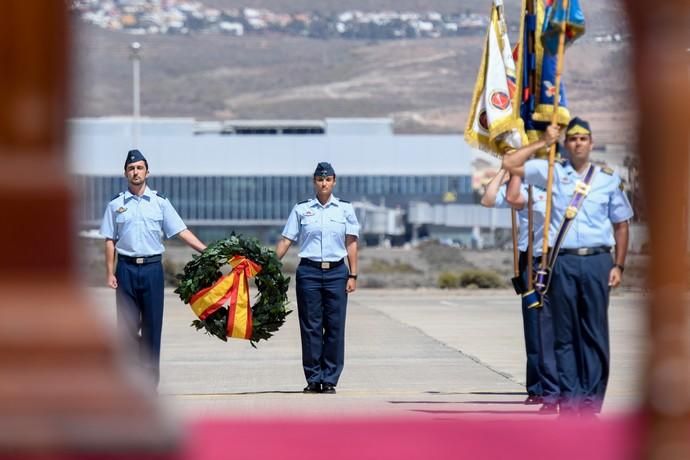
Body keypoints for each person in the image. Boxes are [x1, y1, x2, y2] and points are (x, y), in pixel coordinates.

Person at [503, 118, 633, 415]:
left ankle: (591, 400)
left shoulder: (608, 179)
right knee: (564, 334)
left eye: (583, 138)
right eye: (572, 138)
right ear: (565, 143)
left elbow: (622, 225)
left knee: (594, 332)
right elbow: (511, 163)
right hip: (562, 261)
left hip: (598, 259)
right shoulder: (551, 172)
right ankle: (571, 400)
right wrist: (542, 143)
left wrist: (619, 265)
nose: (578, 143)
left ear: (591, 142)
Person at [100, 149, 206, 386]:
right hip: (125, 270)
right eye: (131, 168)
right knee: (126, 330)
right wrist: (110, 272)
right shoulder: (116, 205)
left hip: (152, 270)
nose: (135, 172)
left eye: (139, 168)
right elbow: (109, 239)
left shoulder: (160, 203)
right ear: (125, 173)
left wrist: (206, 250)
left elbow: (181, 231)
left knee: (152, 327)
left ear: (147, 172)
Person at [480, 160, 559, 414]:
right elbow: (488, 199)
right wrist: (506, 169)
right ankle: (538, 386)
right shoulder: (522, 186)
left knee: (560, 325)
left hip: (557, 257)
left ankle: (560, 383)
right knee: (534, 324)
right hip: (530, 260)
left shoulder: (558, 184)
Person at [275, 162, 360, 394]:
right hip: (309, 273)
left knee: (334, 327)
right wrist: (269, 265)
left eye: (328, 179)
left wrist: (352, 274)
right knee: (311, 326)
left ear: (334, 181)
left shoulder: (344, 209)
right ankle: (313, 377)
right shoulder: (302, 209)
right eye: (320, 179)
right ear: (314, 182)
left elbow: (351, 243)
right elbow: (286, 240)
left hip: (336, 272)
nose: (324, 183)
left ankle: (330, 378)